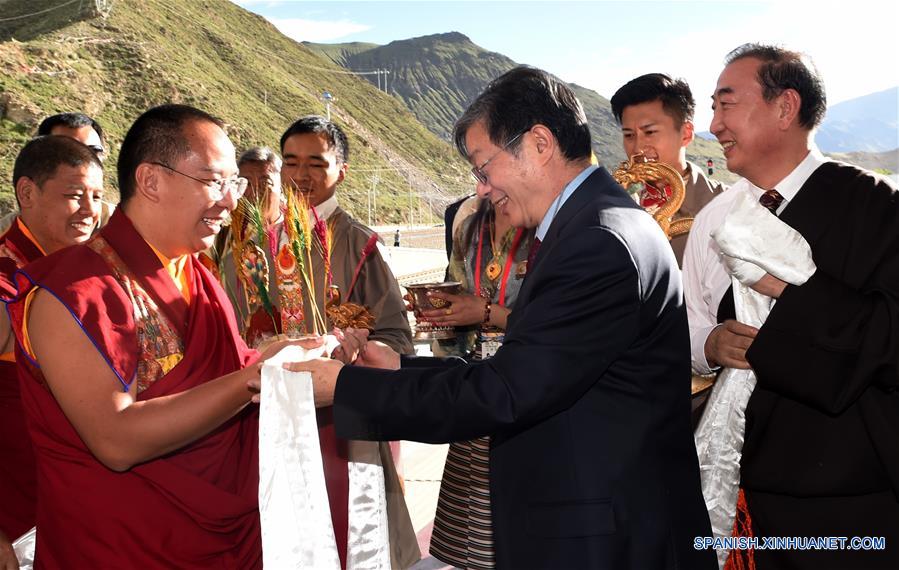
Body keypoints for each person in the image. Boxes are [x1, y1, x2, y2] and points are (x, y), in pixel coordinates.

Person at [277, 66, 716, 569]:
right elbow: (530, 366)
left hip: (605, 540)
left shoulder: (597, 241)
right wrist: (397, 368)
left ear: (539, 144)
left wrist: (345, 388)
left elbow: (507, 391)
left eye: (484, 168)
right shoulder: (589, 224)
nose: (483, 190)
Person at [3, 103, 316, 568]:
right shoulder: (73, 292)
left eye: (234, 184)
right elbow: (115, 441)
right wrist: (255, 379)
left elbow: (227, 368)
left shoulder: (196, 274)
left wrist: (293, 358)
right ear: (150, 181)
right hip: (120, 546)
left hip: (224, 535)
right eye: (215, 182)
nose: (231, 202)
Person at [684, 43, 899, 568]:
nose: (714, 125)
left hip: (850, 500)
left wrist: (789, 288)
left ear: (785, 107)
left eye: (727, 105)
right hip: (747, 484)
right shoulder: (719, 217)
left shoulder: (875, 206)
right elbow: (688, 320)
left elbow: (890, 337)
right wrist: (710, 344)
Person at [218, 117, 417, 568]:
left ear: (341, 172)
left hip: (339, 425)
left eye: (316, 163)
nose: (301, 175)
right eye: (291, 163)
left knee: (346, 538)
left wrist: (354, 349)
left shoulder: (360, 244)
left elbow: (395, 337)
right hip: (268, 421)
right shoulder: (253, 247)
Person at [0, 135, 103, 568]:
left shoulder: (88, 274)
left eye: (97, 196)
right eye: (74, 195)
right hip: (17, 517)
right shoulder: (6, 282)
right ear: (27, 193)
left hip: (79, 505)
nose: (89, 210)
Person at [423, 196, 533, 568]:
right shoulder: (470, 227)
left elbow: (553, 327)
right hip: (474, 385)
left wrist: (488, 311)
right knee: (471, 539)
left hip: (524, 386)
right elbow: (454, 297)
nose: (483, 185)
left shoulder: (545, 228)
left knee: (519, 525)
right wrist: (437, 315)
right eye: (478, 172)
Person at [610, 73, 725, 265]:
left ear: (686, 134)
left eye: (650, 132)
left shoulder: (725, 204)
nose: (637, 148)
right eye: (629, 135)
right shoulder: (614, 204)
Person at [0, 113, 114, 235]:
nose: (84, 159)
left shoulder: (122, 226)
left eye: (93, 151)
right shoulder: (7, 235)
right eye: (67, 151)